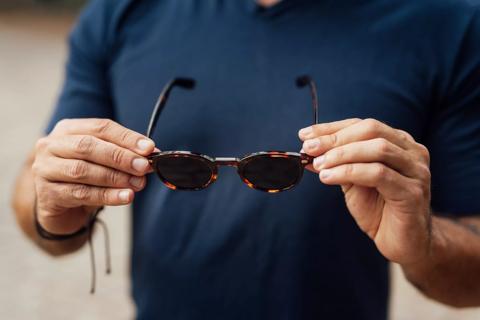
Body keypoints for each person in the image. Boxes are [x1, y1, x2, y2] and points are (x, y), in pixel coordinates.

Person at [11, 0, 480, 319]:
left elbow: (471, 278)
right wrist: (50, 204)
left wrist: (425, 244)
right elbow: (44, 213)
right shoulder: (121, 12)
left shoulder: (450, 22)